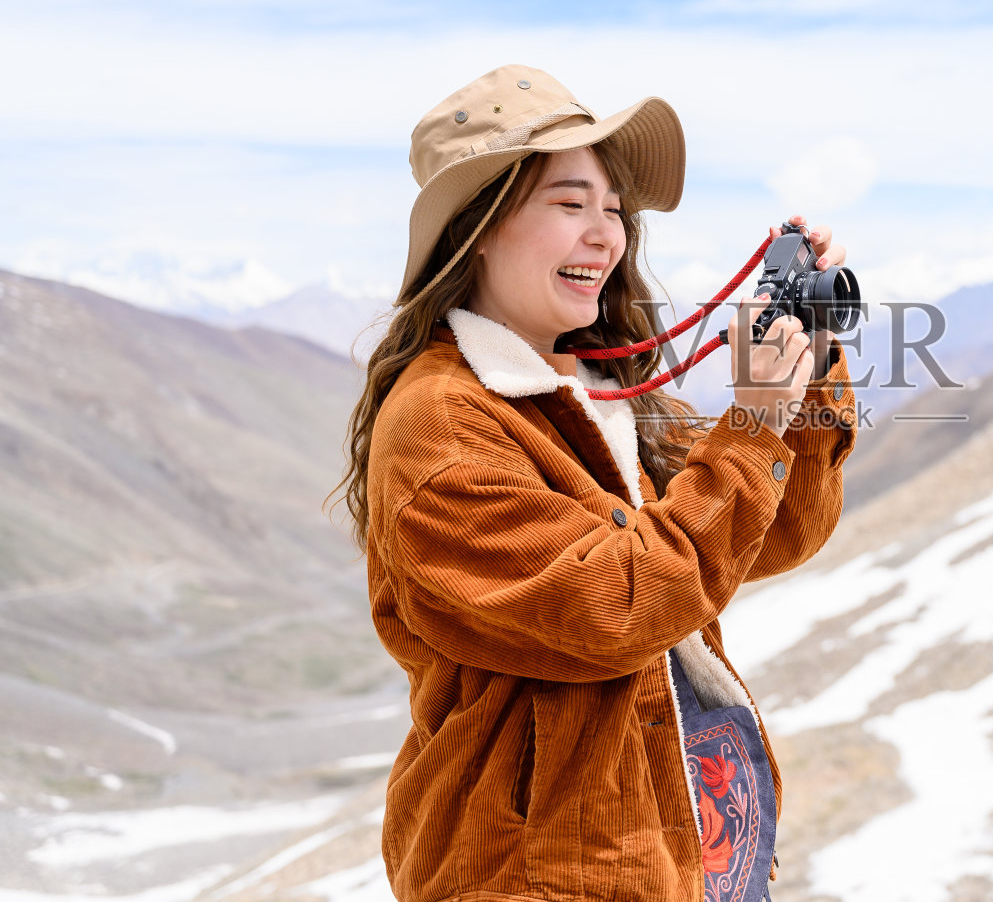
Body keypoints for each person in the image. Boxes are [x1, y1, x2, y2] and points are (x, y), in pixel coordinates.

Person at [331, 65, 858, 902]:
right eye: (570, 204)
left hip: (682, 865)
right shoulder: (440, 426)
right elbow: (618, 606)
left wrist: (811, 359)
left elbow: (776, 532)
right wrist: (752, 423)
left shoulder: (603, 392)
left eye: (613, 209)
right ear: (480, 228)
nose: (605, 235)